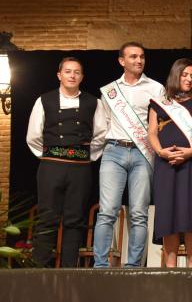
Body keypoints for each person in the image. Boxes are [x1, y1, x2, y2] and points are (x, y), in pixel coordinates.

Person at [26, 57, 107, 267]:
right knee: (47, 218)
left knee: (75, 221)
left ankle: (69, 273)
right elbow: (33, 136)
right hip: (51, 167)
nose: (72, 75)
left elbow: (101, 135)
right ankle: (38, 272)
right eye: (68, 71)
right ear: (59, 75)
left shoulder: (94, 103)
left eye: (77, 72)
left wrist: (85, 156)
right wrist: (50, 156)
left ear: (82, 77)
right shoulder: (44, 100)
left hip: (80, 169)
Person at [93, 42, 164, 268]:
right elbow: (102, 124)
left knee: (139, 213)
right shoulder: (110, 90)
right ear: (122, 61)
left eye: (142, 56)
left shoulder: (156, 88)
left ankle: (133, 267)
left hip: (143, 153)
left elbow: (163, 123)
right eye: (133, 57)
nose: (139, 61)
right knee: (107, 211)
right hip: (114, 151)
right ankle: (100, 266)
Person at [147, 58, 192, 268]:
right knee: (168, 217)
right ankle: (171, 272)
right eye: (185, 75)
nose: (189, 79)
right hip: (165, 166)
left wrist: (190, 151)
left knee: (191, 218)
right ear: (176, 75)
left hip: (191, 165)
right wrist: (161, 152)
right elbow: (152, 132)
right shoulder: (160, 102)